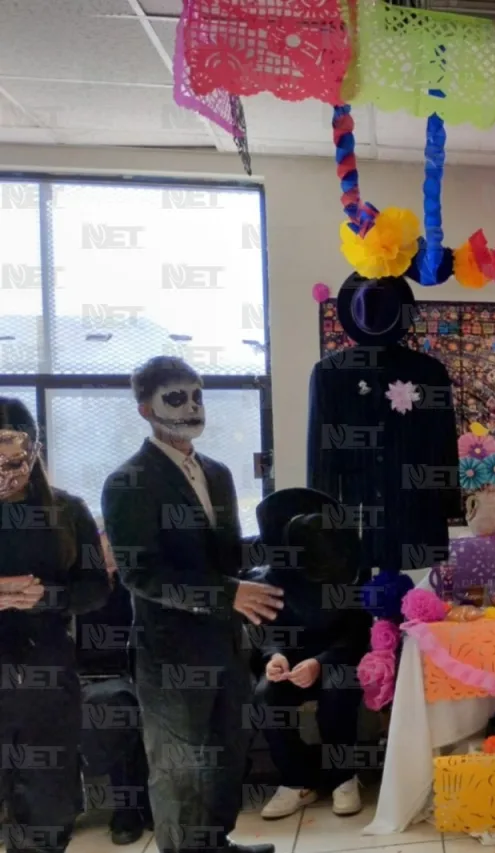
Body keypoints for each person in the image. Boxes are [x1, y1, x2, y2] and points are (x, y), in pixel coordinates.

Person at [102, 357, 284, 853]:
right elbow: (141, 575)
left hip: (226, 644)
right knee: (180, 768)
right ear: (145, 408)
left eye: (198, 395)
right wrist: (229, 594)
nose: (192, 407)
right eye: (176, 397)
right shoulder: (127, 482)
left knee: (228, 751)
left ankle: (217, 842)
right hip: (170, 654)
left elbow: (225, 557)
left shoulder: (218, 474)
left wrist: (278, 558)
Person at [0, 398, 111, 853]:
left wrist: (48, 597)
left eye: (13, 459)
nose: (6, 474)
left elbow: (95, 590)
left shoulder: (66, 510)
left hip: (46, 678)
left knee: (47, 812)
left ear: (34, 450)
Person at [247, 489, 370, 820]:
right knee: (265, 695)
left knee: (338, 688)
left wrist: (321, 662)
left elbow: (357, 634)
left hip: (337, 659)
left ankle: (344, 776)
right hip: (288, 662)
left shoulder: (350, 573)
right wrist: (274, 656)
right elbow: (265, 631)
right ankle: (297, 780)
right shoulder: (269, 578)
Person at [77, 524, 153, 845]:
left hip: (132, 676)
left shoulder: (136, 587)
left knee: (125, 706)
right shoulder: (76, 591)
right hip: (83, 680)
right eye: (101, 549)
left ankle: (134, 807)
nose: (107, 557)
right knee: (111, 707)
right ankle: (129, 807)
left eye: (113, 550)